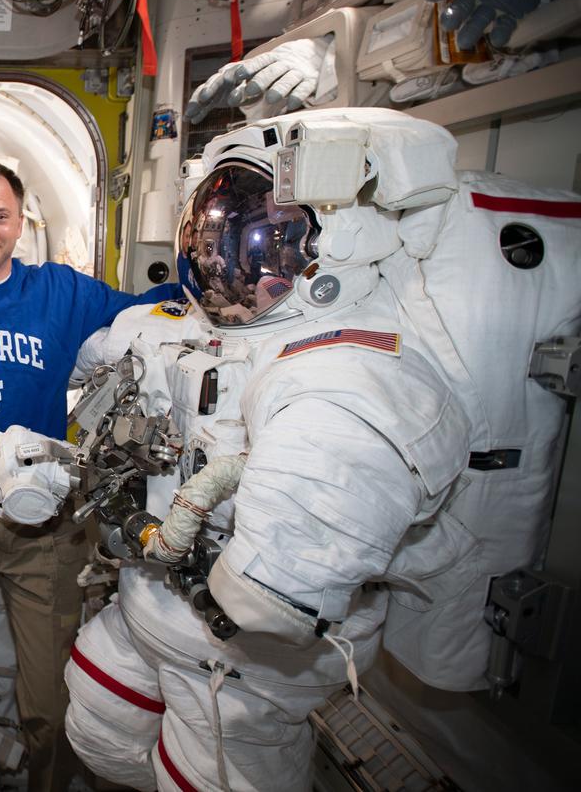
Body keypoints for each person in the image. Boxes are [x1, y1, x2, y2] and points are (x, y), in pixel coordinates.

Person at [51, 109, 580, 791]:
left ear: (326, 245)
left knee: (209, 771)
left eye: (253, 243)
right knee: (97, 723)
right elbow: (83, 396)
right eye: (212, 237)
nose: (225, 263)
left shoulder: (345, 373)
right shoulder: (161, 329)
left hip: (242, 659)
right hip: (147, 601)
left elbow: (272, 597)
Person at [0, 162, 180, 792]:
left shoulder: (63, 294)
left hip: (46, 525)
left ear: (21, 223)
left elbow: (145, 314)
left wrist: (206, 276)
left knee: (50, 708)